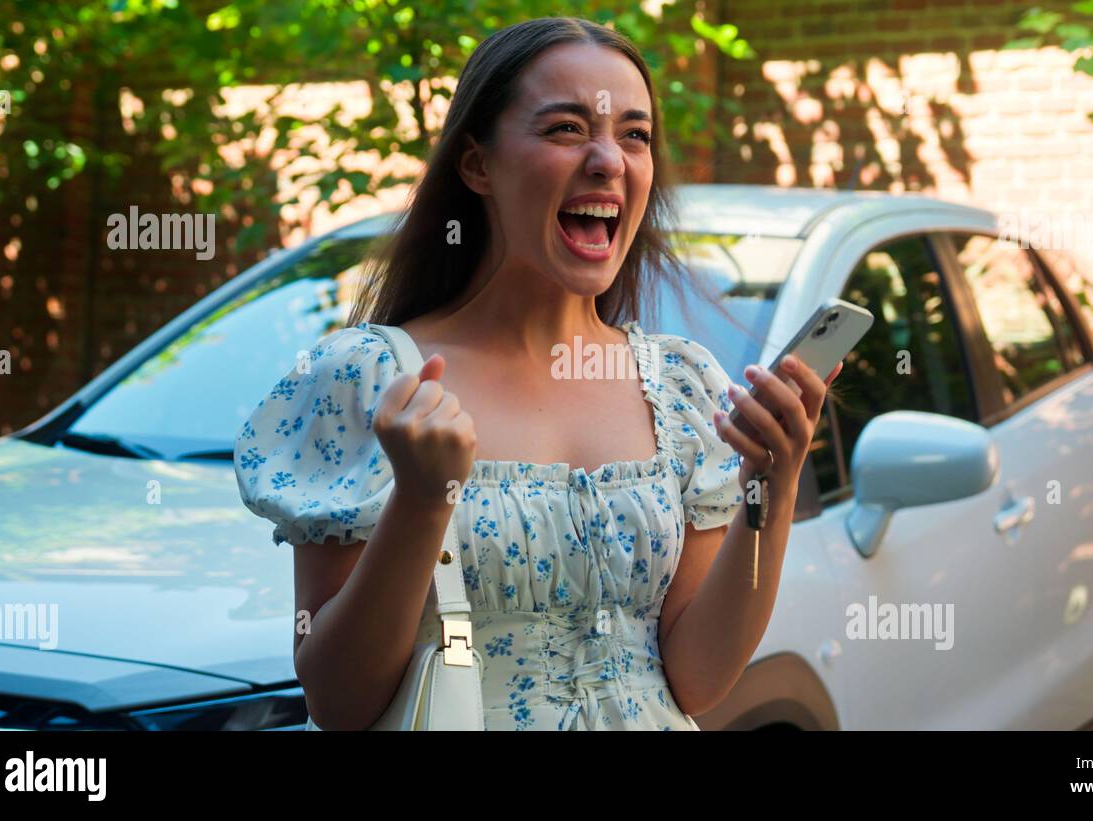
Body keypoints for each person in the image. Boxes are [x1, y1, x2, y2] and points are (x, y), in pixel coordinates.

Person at [232, 16, 840, 731]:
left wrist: (772, 485)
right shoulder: (371, 381)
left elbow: (698, 679)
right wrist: (424, 501)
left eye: (635, 135)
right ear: (477, 165)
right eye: (565, 129)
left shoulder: (680, 388)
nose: (610, 159)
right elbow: (338, 702)